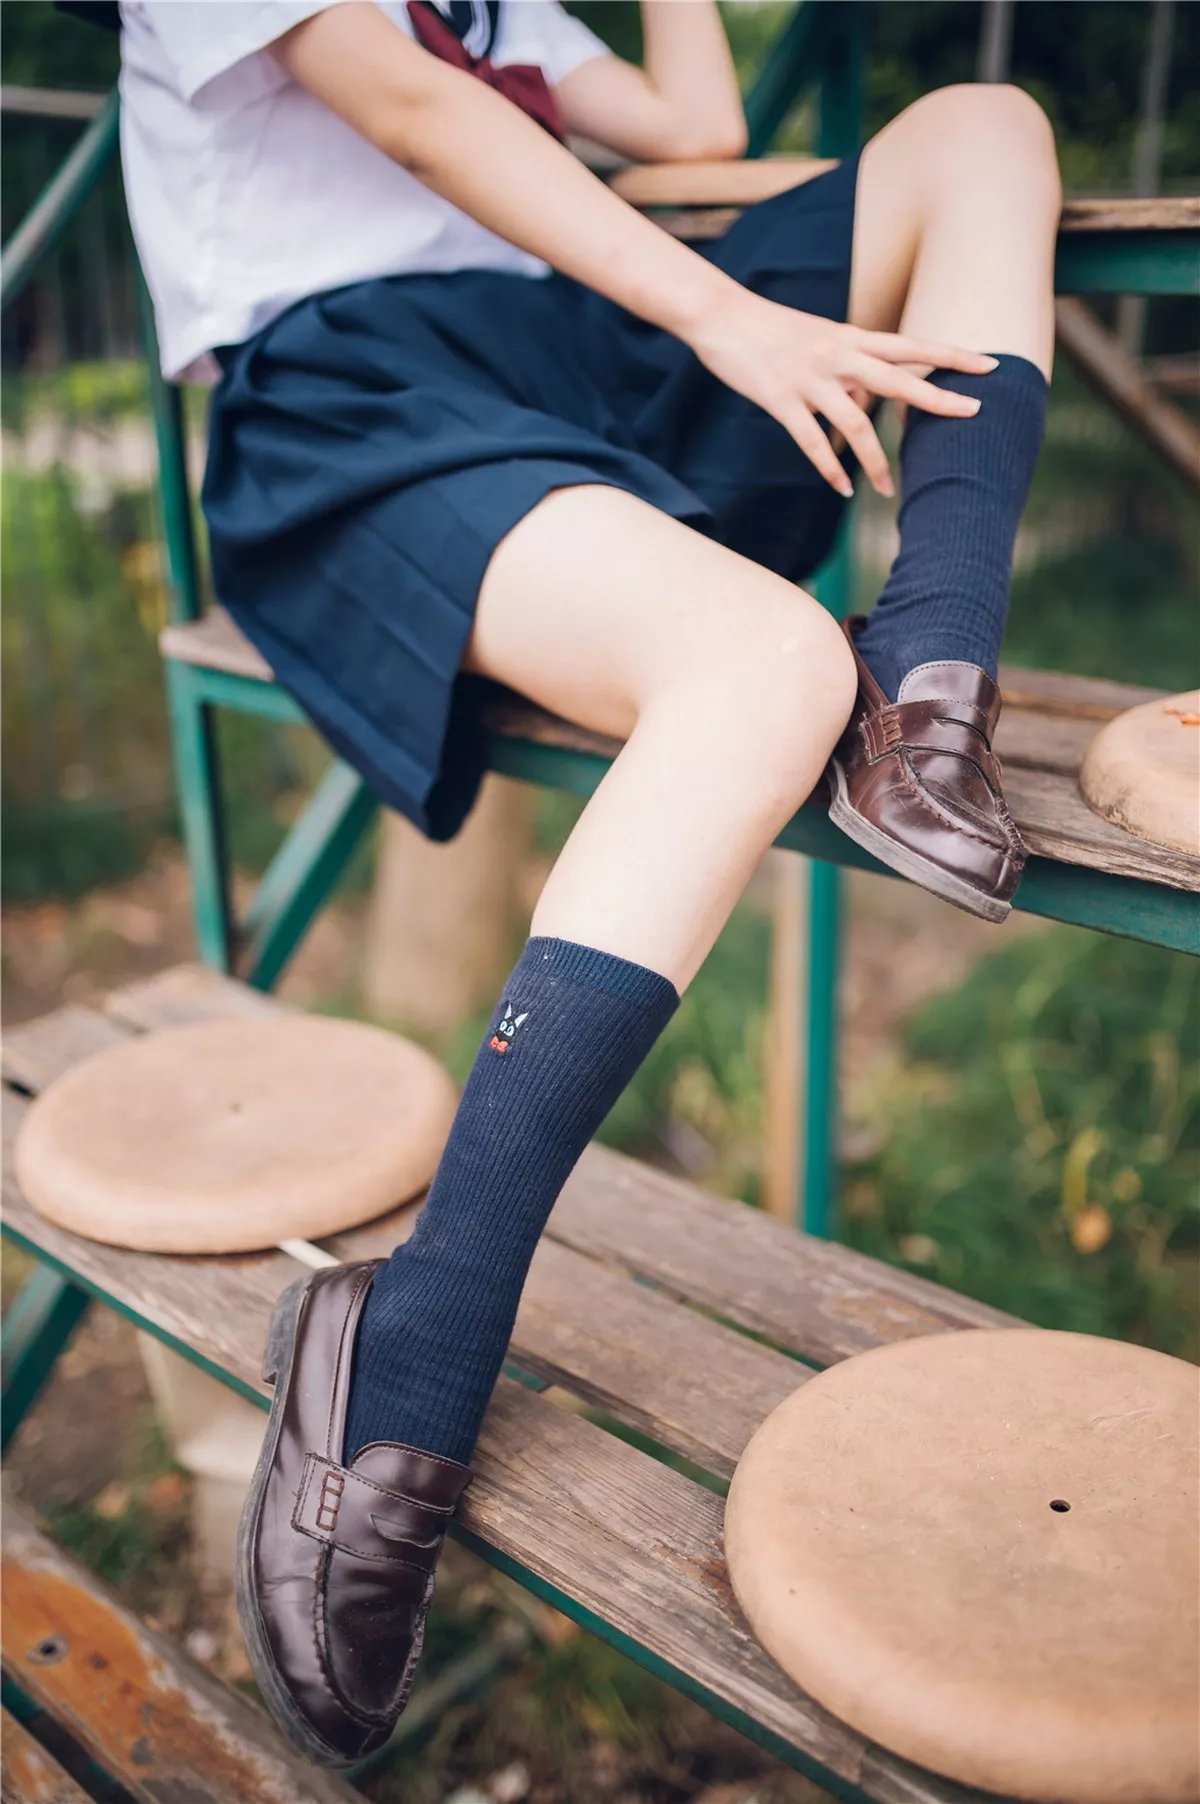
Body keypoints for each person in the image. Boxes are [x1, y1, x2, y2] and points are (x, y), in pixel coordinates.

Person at [118, 0, 1061, 1764]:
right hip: (351, 393)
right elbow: (406, 104)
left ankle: (935, 675)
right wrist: (721, 311)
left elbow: (692, 128)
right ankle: (415, 1346)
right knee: (767, 666)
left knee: (986, 128)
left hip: (568, 347)